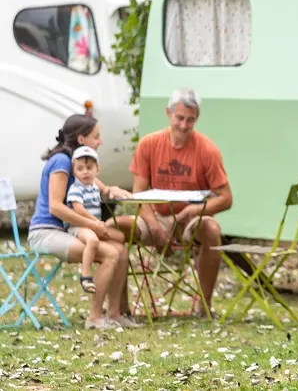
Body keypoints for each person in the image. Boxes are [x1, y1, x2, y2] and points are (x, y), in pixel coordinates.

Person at [115, 87, 232, 316]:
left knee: (211, 229)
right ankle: (119, 309)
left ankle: (204, 307)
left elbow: (226, 198)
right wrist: (155, 227)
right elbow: (138, 194)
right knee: (113, 228)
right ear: (168, 114)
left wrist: (195, 210)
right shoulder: (149, 144)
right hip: (154, 215)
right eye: (179, 118)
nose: (184, 125)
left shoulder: (207, 150)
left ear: (197, 118)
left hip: (190, 218)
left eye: (190, 120)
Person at [27, 114, 134, 329]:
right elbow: (55, 207)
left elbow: (94, 181)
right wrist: (93, 224)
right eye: (97, 136)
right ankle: (95, 317)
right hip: (45, 232)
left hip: (66, 230)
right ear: (82, 139)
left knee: (120, 249)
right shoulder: (62, 161)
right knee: (110, 253)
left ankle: (114, 314)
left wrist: (109, 190)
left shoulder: (77, 162)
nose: (100, 141)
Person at [65, 146, 125, 293]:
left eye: (89, 167)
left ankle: (112, 277)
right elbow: (78, 209)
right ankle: (85, 276)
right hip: (79, 226)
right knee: (92, 240)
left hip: (94, 225)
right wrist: (95, 222)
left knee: (120, 237)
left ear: (97, 169)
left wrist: (112, 193)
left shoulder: (94, 187)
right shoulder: (75, 189)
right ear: (74, 171)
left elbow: (105, 193)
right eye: (80, 168)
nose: (85, 172)